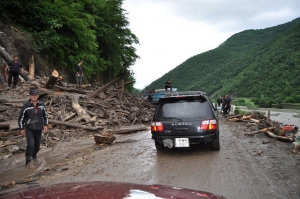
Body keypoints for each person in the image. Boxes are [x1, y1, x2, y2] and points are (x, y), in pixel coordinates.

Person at [18, 89, 48, 167]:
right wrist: (21, 128)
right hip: (29, 128)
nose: (34, 97)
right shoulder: (26, 105)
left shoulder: (41, 104)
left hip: (38, 128)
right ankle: (28, 160)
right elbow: (21, 118)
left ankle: (34, 156)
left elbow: (45, 116)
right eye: (32, 95)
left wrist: (45, 124)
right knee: (30, 145)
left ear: (38, 96)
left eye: (35, 95)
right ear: (30, 96)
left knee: (37, 146)